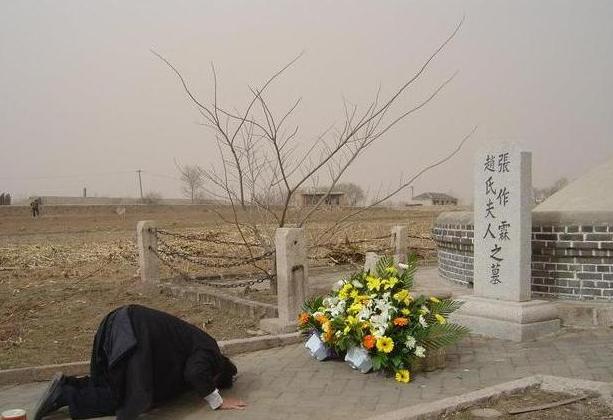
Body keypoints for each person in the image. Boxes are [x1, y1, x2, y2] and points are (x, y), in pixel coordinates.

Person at [33, 305, 247, 419]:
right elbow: (195, 373)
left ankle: (68, 385)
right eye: (214, 383)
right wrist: (217, 401)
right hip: (134, 330)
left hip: (120, 320)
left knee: (113, 383)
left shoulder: (196, 341)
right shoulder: (210, 351)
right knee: (127, 398)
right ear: (218, 373)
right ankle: (65, 396)